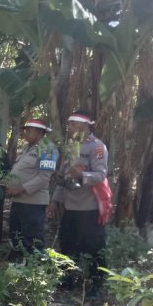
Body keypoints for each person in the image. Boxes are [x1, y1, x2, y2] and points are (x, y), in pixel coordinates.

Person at [48, 111, 109, 295]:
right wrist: (54, 201)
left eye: (73, 124)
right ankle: (69, 280)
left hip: (89, 208)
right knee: (68, 245)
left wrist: (82, 175)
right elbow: (62, 177)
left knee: (93, 247)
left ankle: (97, 284)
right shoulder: (71, 147)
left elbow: (101, 174)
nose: (69, 127)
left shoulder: (97, 147)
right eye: (69, 124)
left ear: (85, 125)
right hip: (70, 206)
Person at [5, 118, 58, 252]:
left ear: (39, 132)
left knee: (32, 239)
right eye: (25, 130)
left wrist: (21, 189)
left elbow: (44, 177)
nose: (25, 133)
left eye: (29, 130)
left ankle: (35, 268)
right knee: (16, 236)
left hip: (33, 203)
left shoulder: (48, 148)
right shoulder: (27, 148)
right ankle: (17, 266)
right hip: (18, 201)